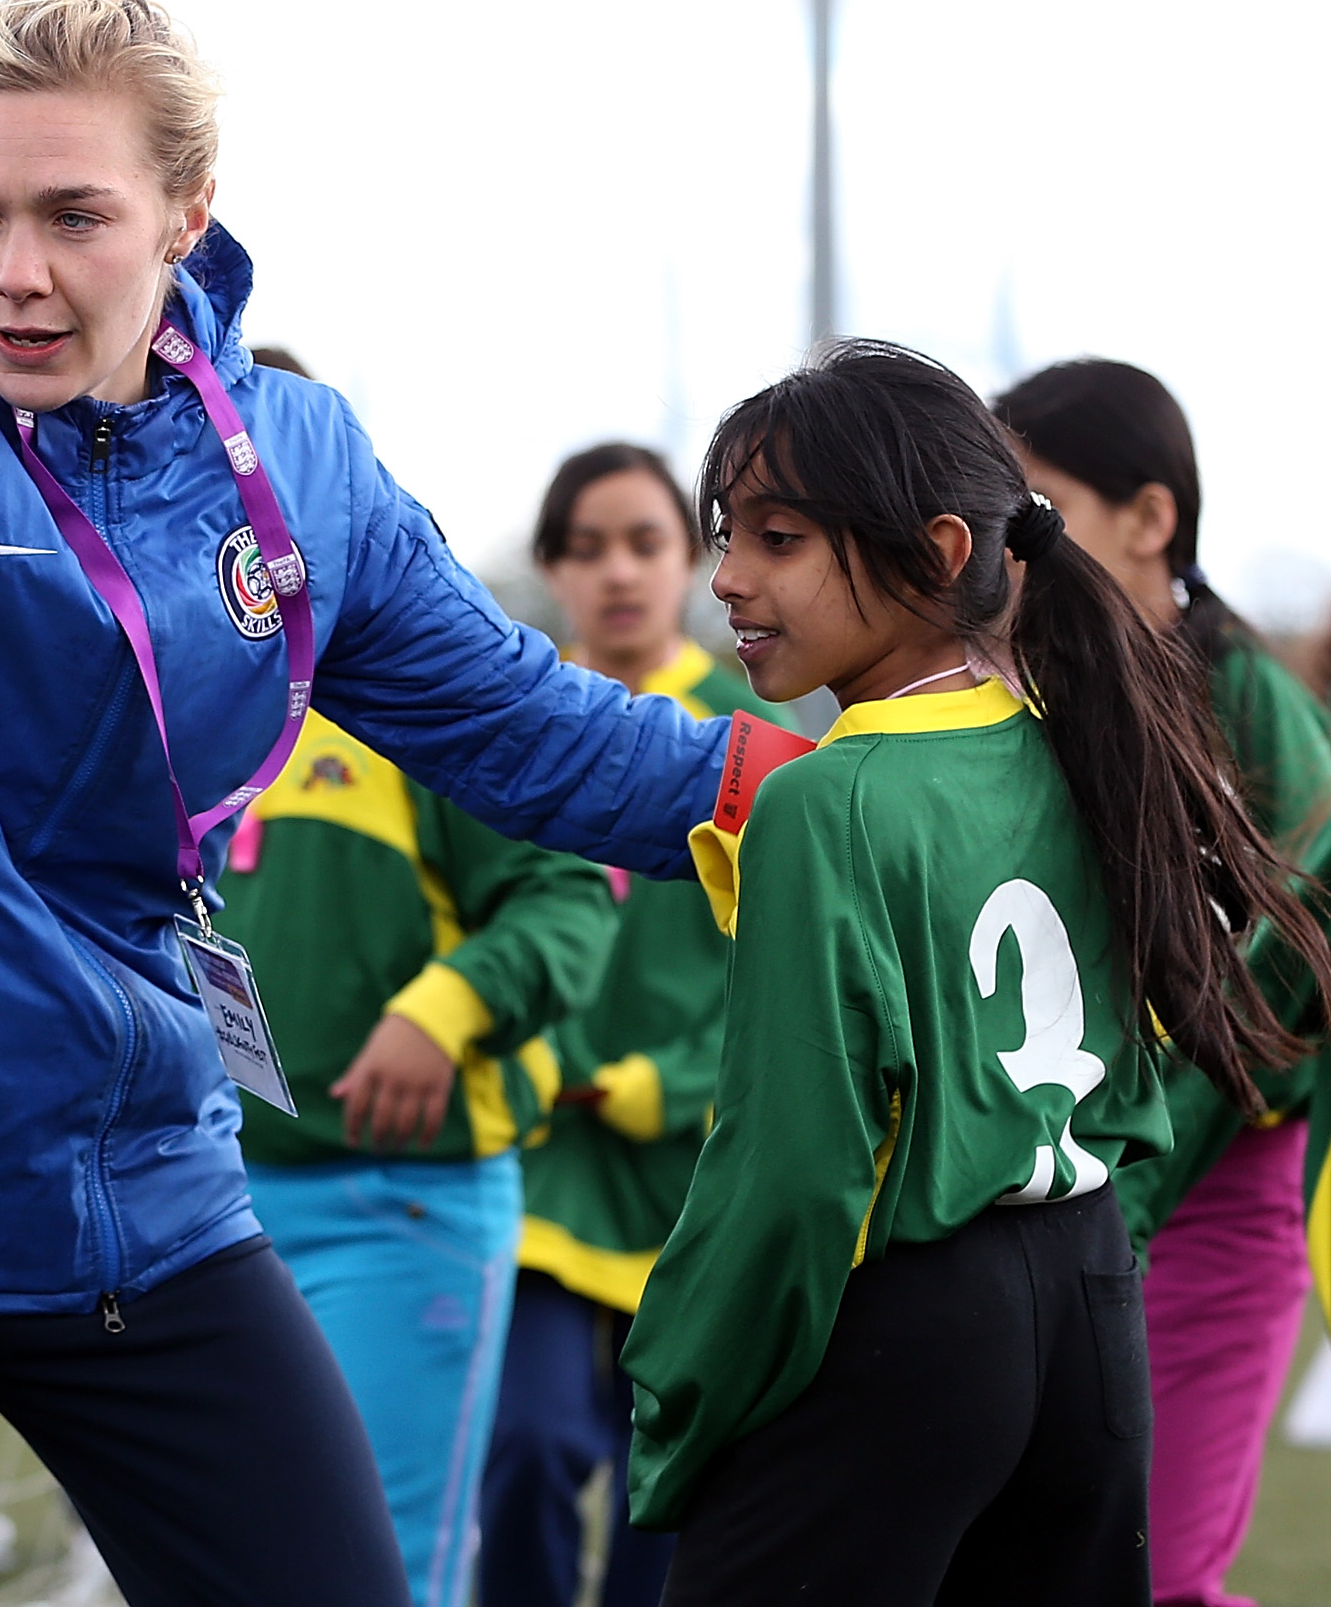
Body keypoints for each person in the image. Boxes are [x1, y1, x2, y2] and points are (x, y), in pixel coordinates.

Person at [0, 0, 729, 1607]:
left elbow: (528, 729)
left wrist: (808, 792)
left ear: (184, 217)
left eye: (75, 215)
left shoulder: (295, 462)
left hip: (137, 1195)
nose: (14, 270)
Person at [620, 340, 1331, 1604]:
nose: (725, 579)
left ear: (944, 552)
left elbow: (790, 1177)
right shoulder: (1077, 739)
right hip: (1091, 1300)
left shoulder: (825, 801)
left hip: (909, 1324)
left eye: (777, 539)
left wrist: (678, 1380)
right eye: (725, 535)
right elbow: (1135, 1062)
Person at [993, 358, 1331, 1607]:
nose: (1004, 539)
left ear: (1150, 517)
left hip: (1200, 1190)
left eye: (1038, 504)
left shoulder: (1251, 705)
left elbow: (1258, 999)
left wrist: (1120, 1200)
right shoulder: (1023, 690)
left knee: (1160, 1575)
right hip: (1056, 1181)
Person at [216, 669, 618, 1605]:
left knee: (378, 1566)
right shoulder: (202, 698)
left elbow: (568, 902)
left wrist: (446, 1010)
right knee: (237, 1562)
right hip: (215, 1202)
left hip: (400, 1210)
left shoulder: (431, 704)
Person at [479, 444, 797, 1607]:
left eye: (647, 542)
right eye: (587, 546)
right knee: (529, 1446)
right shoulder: (495, 726)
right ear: (553, 570)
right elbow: (479, 924)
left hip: (701, 1186)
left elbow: (796, 974)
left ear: (694, 564)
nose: (618, 571)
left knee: (668, 1485)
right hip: (541, 1178)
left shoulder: (753, 740)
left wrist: (673, 1084)